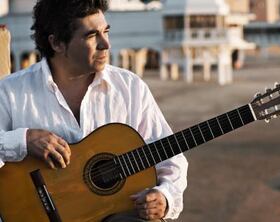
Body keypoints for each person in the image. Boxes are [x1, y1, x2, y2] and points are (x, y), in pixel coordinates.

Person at [0, 0, 188, 221]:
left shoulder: (129, 88)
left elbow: (171, 160)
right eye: (91, 35)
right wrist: (23, 140)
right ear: (57, 43)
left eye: (105, 32)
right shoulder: (11, 91)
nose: (106, 44)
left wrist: (164, 197)